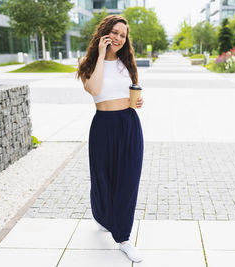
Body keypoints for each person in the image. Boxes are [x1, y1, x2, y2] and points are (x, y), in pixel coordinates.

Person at [76, 15, 144, 262]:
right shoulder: (88, 64)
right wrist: (102, 55)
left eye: (123, 35)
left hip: (128, 124)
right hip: (103, 126)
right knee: (102, 178)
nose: (118, 38)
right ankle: (102, 215)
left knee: (128, 179)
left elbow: (132, 92)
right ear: (104, 33)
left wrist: (136, 101)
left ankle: (124, 238)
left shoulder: (127, 63)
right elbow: (94, 90)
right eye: (114, 32)